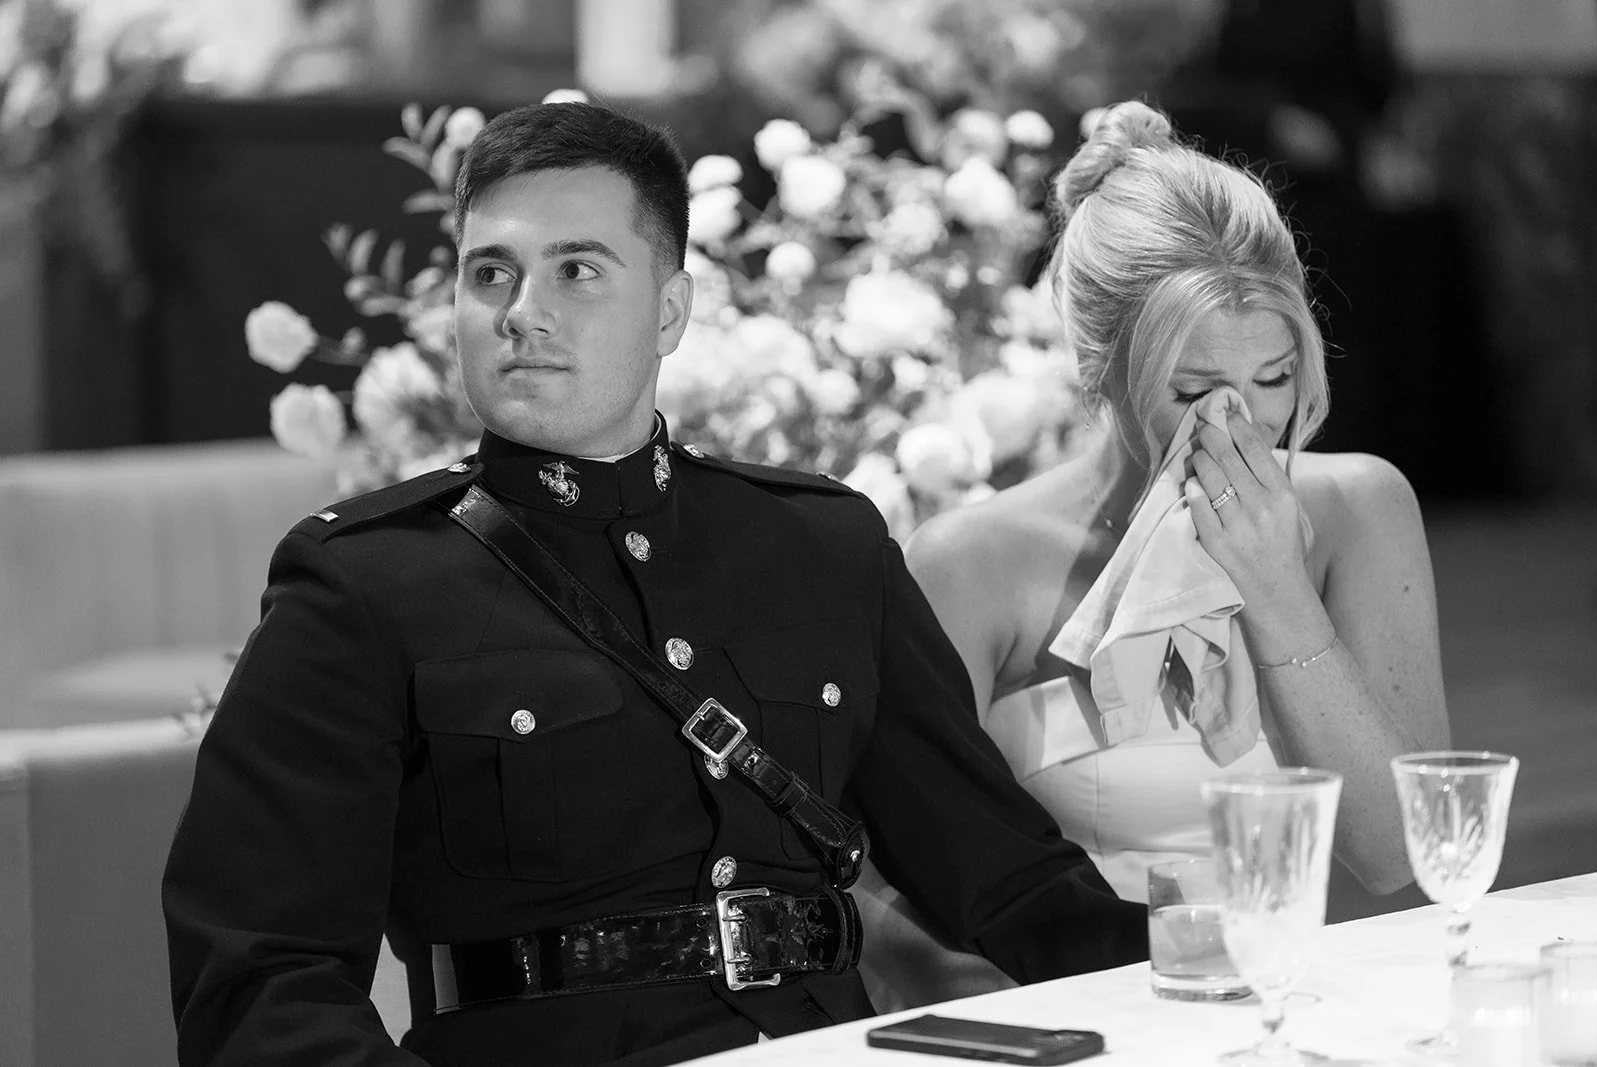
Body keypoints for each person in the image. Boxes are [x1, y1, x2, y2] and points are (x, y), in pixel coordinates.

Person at [161, 101, 1148, 1067]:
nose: (519, 313)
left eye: (576, 270)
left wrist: (1216, 974)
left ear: (670, 310)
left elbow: (1008, 879)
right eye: (489, 272)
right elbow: (258, 979)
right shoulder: (362, 584)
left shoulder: (822, 544)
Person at [855, 100, 1451, 1010]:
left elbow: (1396, 855)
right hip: (1067, 1019)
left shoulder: (1361, 508)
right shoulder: (975, 560)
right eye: (1195, 388)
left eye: (1275, 379)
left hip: (1291, 1012)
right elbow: (882, 890)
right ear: (1103, 371)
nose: (1240, 424)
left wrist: (1276, 589)